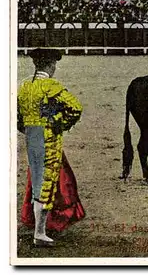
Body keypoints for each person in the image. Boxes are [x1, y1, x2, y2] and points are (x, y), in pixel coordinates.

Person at [17, 48, 84, 247]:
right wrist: (59, 123)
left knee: (38, 181)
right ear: (50, 65)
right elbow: (75, 108)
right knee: (47, 182)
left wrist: (28, 129)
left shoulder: (24, 87)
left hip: (32, 137)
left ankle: (39, 229)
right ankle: (40, 232)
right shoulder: (50, 85)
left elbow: (15, 116)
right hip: (48, 138)